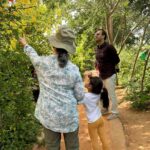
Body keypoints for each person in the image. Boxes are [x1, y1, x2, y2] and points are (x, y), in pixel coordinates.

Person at [19, 26, 85, 150]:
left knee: (52, 147)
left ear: (54, 46)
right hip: (69, 118)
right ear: (69, 49)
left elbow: (33, 56)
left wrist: (25, 44)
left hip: (49, 117)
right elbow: (80, 96)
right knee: (73, 147)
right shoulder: (74, 69)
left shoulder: (42, 64)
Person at [94, 29, 120, 120]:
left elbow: (117, 60)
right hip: (101, 75)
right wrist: (97, 67)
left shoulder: (109, 47)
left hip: (109, 74)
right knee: (102, 93)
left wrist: (109, 66)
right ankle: (105, 109)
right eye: (95, 34)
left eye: (98, 34)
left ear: (103, 36)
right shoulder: (97, 48)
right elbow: (97, 60)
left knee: (111, 94)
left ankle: (115, 112)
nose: (96, 35)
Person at [82, 76, 111, 150]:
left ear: (90, 86)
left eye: (88, 81)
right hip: (100, 119)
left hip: (92, 122)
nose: (86, 81)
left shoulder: (85, 96)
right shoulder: (99, 93)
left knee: (94, 141)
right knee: (104, 138)